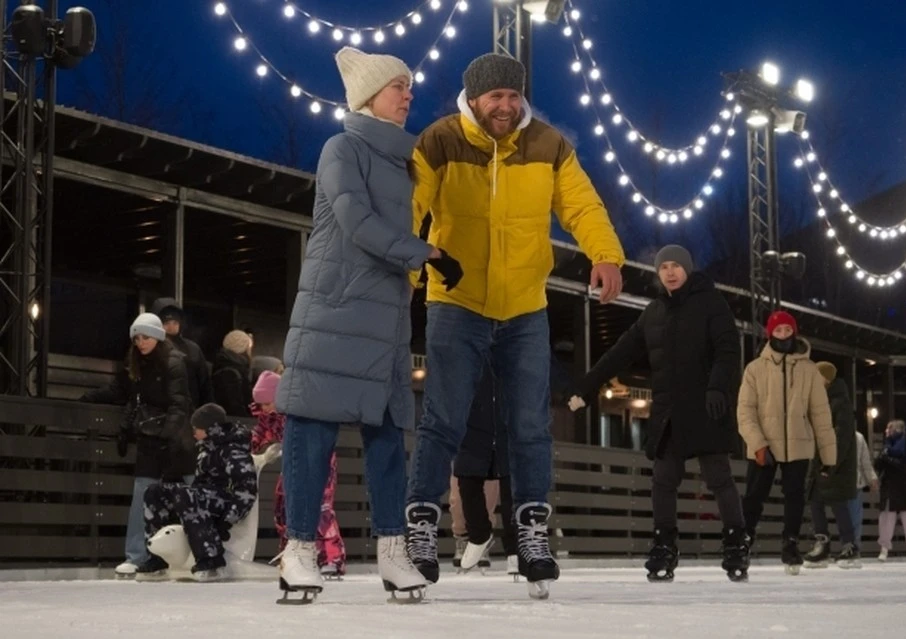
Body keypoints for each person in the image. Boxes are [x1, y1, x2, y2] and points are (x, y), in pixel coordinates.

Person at [404, 52, 624, 599]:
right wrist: (406, 269)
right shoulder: (439, 140)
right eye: (494, 96)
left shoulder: (548, 145)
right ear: (473, 97)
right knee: (442, 420)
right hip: (456, 302)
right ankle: (422, 529)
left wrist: (606, 254)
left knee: (530, 425)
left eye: (512, 95)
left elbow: (581, 204)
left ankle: (530, 532)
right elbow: (410, 206)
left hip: (525, 304)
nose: (505, 105)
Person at [273, 46, 456, 605]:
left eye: (409, 86)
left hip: (385, 322)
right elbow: (356, 220)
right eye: (399, 85)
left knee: (386, 438)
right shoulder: (342, 147)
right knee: (311, 431)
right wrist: (424, 253)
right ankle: (300, 550)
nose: (408, 95)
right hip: (333, 313)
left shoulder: (404, 162)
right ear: (370, 94)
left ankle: (393, 550)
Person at [567, 245, 748, 582]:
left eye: (676, 265)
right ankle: (664, 545)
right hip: (670, 412)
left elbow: (727, 349)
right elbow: (621, 352)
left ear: (687, 269)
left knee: (718, 477)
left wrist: (718, 388)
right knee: (663, 480)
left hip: (707, 404)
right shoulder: (654, 312)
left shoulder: (711, 304)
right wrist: (588, 385)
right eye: (663, 266)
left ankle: (736, 542)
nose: (670, 272)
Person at [79, 313, 194, 579]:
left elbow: (180, 403)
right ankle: (137, 555)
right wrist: (91, 397)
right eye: (137, 338)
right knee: (142, 493)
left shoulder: (173, 362)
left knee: (189, 494)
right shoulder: (134, 363)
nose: (141, 342)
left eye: (146, 337)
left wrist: (169, 435)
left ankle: (201, 552)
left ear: (158, 337)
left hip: (177, 440)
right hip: (149, 438)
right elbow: (122, 392)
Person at [737, 310, 836, 574]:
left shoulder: (809, 370)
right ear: (770, 334)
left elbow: (821, 415)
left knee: (795, 498)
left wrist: (828, 458)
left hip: (799, 445)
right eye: (778, 331)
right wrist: (758, 444)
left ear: (795, 332)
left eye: (787, 330)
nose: (783, 335)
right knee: (754, 498)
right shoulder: (755, 369)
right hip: (764, 445)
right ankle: (742, 544)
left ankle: (790, 544)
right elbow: (745, 411)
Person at [139, 403, 258, 582]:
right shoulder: (206, 449)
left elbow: (246, 490)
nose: (194, 432)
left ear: (211, 428)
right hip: (203, 496)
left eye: (197, 428)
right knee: (154, 492)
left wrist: (227, 520)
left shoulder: (233, 450)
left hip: (225, 502)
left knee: (186, 494)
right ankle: (158, 558)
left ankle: (211, 558)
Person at [250, 371, 345, 578]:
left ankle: (330, 558)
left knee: (321, 507)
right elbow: (258, 436)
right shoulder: (268, 418)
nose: (264, 408)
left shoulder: (297, 412)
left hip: (321, 463)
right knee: (285, 506)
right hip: (293, 466)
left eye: (268, 402)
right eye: (261, 404)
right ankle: (292, 554)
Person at [450, 360, 517, 576]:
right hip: (472, 415)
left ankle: (515, 548)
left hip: (505, 417)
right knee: (464, 479)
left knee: (509, 479)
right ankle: (473, 536)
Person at [803, 362, 860, 568]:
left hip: (836, 464)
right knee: (816, 502)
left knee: (838, 504)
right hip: (818, 462)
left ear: (826, 379)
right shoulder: (818, 401)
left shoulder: (840, 402)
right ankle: (823, 545)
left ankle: (849, 546)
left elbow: (841, 436)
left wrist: (830, 463)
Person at [876, 419, 906, 563]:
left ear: (896, 431)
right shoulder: (886, 446)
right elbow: (878, 464)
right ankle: (884, 549)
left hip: (905, 490)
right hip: (890, 489)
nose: (886, 432)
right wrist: (882, 459)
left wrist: (888, 460)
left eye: (888, 429)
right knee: (886, 520)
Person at [150, 297, 214, 407]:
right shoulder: (149, 345)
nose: (171, 327)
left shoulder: (193, 349)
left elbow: (204, 385)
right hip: (156, 410)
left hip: (187, 410)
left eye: (175, 322)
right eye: (166, 323)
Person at [212, 330, 254, 417]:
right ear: (243, 349)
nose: (250, 352)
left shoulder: (227, 367)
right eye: (249, 348)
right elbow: (235, 408)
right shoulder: (230, 373)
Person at [852, 430, 879, 550]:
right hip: (849, 481)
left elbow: (865, 461)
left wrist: (871, 478)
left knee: (854, 517)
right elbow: (865, 462)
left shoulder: (858, 437)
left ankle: (853, 547)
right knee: (852, 517)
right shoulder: (858, 437)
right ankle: (851, 546)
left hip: (854, 482)